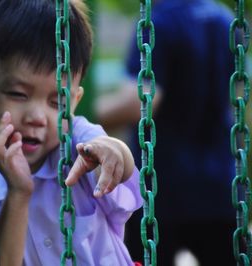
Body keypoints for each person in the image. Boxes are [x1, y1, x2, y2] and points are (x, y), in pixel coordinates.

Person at [0, 0, 143, 265]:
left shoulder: (80, 143)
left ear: (74, 101)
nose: (37, 117)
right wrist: (19, 192)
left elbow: (111, 153)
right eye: (18, 94)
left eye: (56, 103)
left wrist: (114, 153)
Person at [97, 0, 237, 265]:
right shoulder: (224, 19)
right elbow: (233, 94)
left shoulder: (157, 23)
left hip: (162, 189)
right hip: (219, 185)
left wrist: (86, 115)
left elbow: (143, 100)